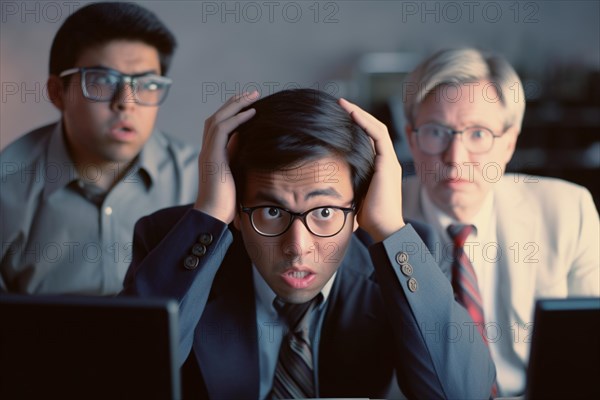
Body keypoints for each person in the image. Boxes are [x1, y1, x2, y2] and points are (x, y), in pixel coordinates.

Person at [122, 88, 495, 399]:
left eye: (325, 212)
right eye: (271, 211)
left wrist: (388, 229)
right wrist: (211, 213)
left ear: (358, 208)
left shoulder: (408, 255)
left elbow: (460, 394)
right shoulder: (173, 242)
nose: (297, 246)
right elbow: (126, 380)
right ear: (237, 206)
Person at [401, 47, 600, 396]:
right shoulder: (373, 221)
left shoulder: (568, 211)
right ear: (411, 139)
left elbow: (589, 352)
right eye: (436, 132)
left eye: (478, 134)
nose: (456, 158)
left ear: (508, 144)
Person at [0, 2, 198, 295]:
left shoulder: (199, 182)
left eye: (147, 84)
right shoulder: (7, 185)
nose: (126, 102)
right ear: (58, 93)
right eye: (104, 80)